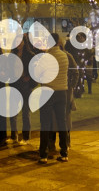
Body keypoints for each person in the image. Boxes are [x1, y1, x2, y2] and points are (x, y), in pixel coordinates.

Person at [37, 33, 69, 164]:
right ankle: (64, 152)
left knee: (45, 123)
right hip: (62, 91)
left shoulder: (46, 57)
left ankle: (43, 154)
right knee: (62, 122)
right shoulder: (64, 56)